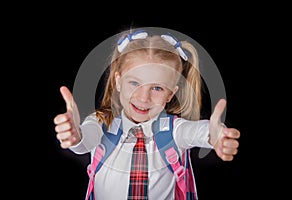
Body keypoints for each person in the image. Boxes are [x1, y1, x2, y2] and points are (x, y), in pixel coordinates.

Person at [53, 29, 240, 200]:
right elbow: (84, 141)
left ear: (170, 94)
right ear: (118, 81)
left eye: (157, 88)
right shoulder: (102, 124)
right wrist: (75, 135)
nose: (143, 98)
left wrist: (215, 135)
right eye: (134, 83)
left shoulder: (173, 131)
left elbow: (197, 131)